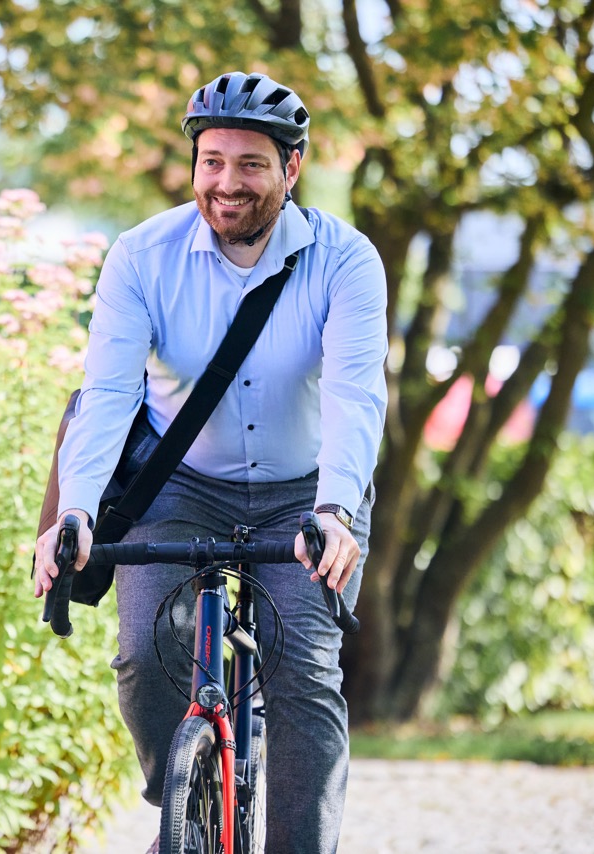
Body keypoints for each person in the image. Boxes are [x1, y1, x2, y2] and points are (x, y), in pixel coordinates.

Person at [33, 71, 387, 853]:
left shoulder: (345, 260)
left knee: (304, 676)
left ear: (291, 169)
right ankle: (187, 807)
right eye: (212, 161)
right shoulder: (142, 256)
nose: (228, 183)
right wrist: (76, 510)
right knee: (145, 653)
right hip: (180, 486)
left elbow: (356, 394)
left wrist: (335, 509)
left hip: (309, 491)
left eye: (251, 164)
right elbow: (108, 393)